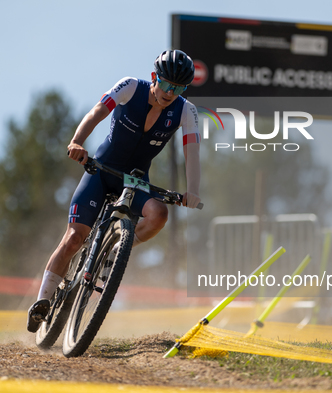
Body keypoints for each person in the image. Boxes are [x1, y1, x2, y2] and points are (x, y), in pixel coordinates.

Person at [27, 50, 202, 332]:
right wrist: (77, 141)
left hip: (135, 181)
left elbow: (192, 151)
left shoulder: (185, 110)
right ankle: (42, 301)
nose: (172, 92)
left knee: (159, 214)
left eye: (180, 88)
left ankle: (116, 250)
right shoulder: (131, 86)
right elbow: (98, 111)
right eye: (168, 84)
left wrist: (192, 191)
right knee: (73, 238)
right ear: (155, 78)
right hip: (102, 171)